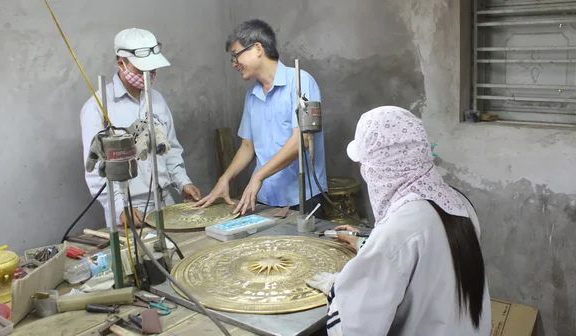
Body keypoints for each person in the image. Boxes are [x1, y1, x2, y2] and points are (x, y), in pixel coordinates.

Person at [306, 106, 491, 335]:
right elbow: (429, 270)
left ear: (379, 167)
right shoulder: (457, 202)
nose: (362, 170)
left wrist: (339, 291)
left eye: (363, 163)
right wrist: (370, 245)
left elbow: (356, 329)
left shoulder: (398, 230)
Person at [195, 19, 328, 217]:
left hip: (302, 198)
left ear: (257, 48)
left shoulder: (301, 82)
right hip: (264, 200)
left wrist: (258, 176)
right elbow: (248, 147)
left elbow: (302, 139)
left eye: (236, 55)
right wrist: (225, 179)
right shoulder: (252, 96)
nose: (234, 64)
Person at [81, 28, 201, 228]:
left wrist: (182, 182)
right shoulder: (97, 107)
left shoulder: (157, 100)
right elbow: (96, 171)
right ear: (122, 63)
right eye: (141, 70)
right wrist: (120, 208)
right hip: (130, 210)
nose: (148, 75)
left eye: (152, 70)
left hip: (165, 202)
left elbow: (170, 149)